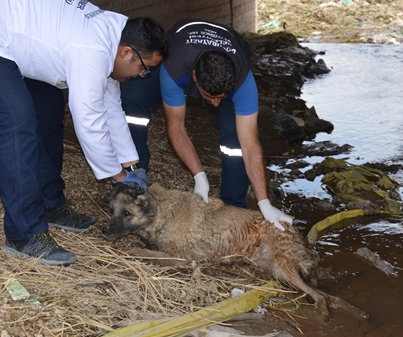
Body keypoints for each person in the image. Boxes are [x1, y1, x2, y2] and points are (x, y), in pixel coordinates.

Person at [0, 0, 168, 265]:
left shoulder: (113, 37)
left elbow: (109, 105)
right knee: (17, 121)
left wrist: (131, 163)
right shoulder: (93, 49)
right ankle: (24, 234)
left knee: (47, 107)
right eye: (145, 69)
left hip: (8, 34)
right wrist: (118, 176)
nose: (141, 76)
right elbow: (88, 116)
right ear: (126, 52)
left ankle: (49, 204)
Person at [121, 18, 293, 231]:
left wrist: (264, 202)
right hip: (177, 56)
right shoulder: (174, 69)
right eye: (209, 97)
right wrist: (200, 177)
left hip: (223, 65)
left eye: (222, 97)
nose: (215, 103)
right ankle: (133, 181)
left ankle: (233, 207)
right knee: (133, 100)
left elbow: (251, 144)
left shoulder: (243, 82)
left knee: (235, 138)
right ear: (194, 77)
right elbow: (176, 126)